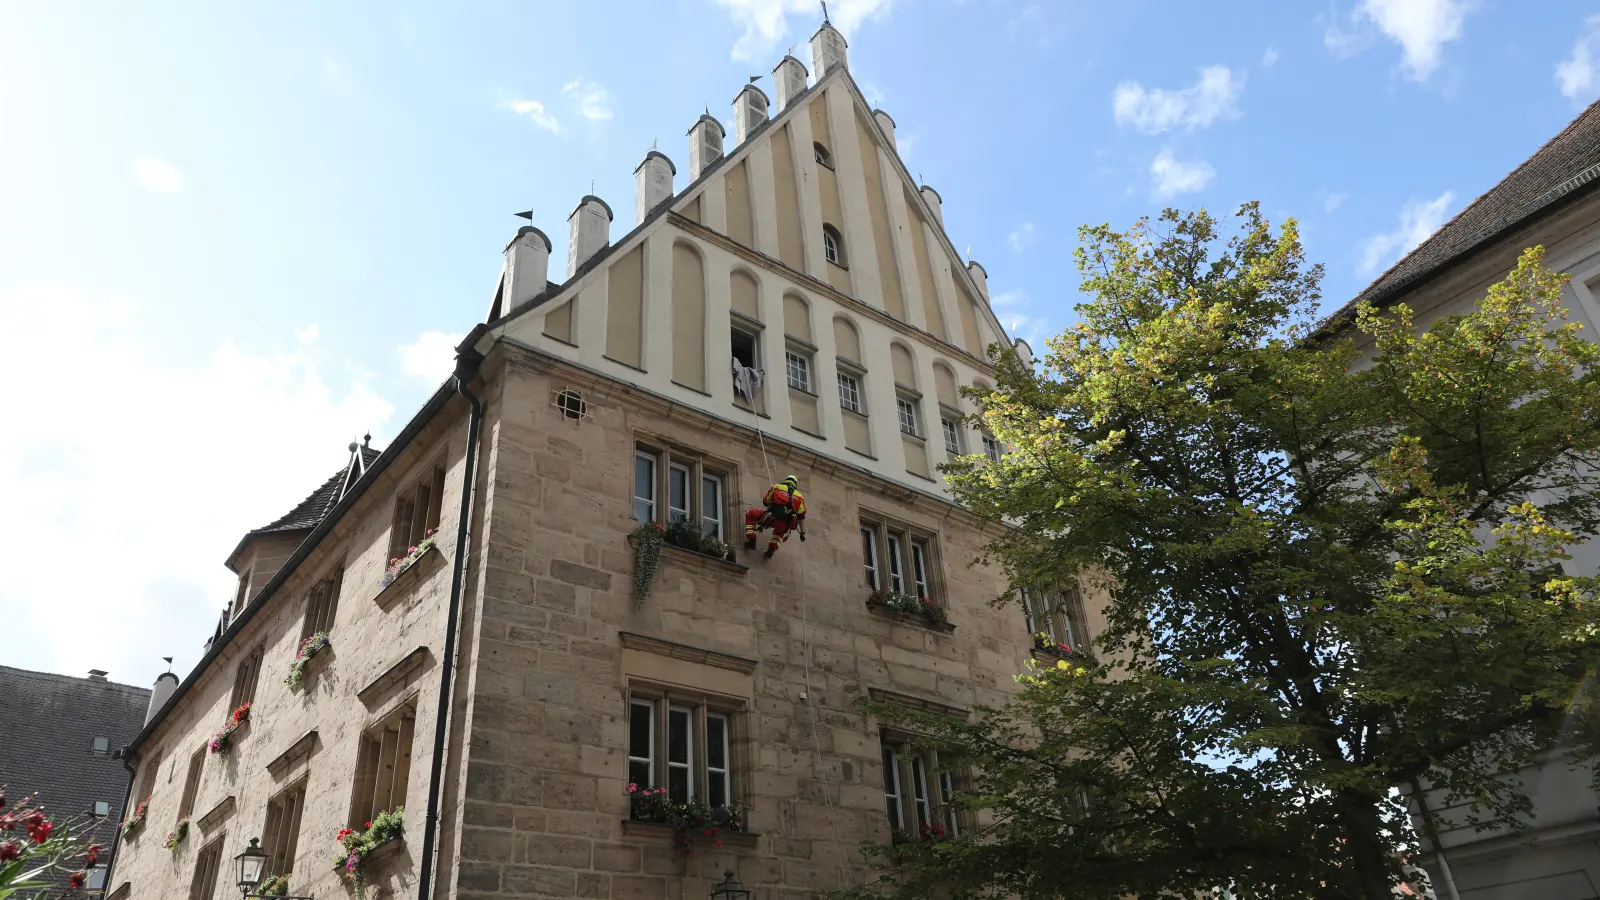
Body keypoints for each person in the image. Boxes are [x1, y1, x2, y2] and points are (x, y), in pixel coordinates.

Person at [744, 475, 807, 559]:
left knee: (751, 514)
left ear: (786, 480)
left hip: (771, 518)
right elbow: (801, 517)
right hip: (784, 525)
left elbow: (766, 501)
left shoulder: (777, 487)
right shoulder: (800, 497)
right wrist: (802, 533)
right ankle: (772, 549)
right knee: (779, 533)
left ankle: (751, 538)